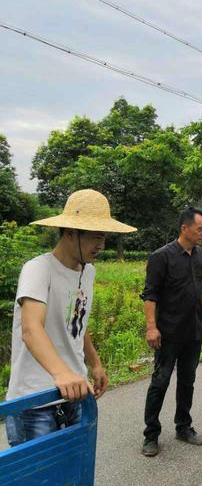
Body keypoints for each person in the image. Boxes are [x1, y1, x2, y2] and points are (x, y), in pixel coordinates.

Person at [5, 189, 136, 446]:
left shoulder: (88, 272)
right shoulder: (38, 269)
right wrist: (62, 374)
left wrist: (95, 363)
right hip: (35, 400)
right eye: (95, 237)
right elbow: (31, 329)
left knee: (74, 472)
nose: (101, 245)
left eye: (105, 237)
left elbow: (77, 323)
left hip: (75, 393)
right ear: (70, 232)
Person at [141, 207, 202, 457]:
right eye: (200, 228)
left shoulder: (200, 254)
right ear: (185, 228)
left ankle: (183, 426)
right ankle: (151, 434)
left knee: (187, 381)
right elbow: (150, 294)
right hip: (168, 332)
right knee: (160, 382)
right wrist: (151, 327)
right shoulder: (161, 256)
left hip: (193, 331)